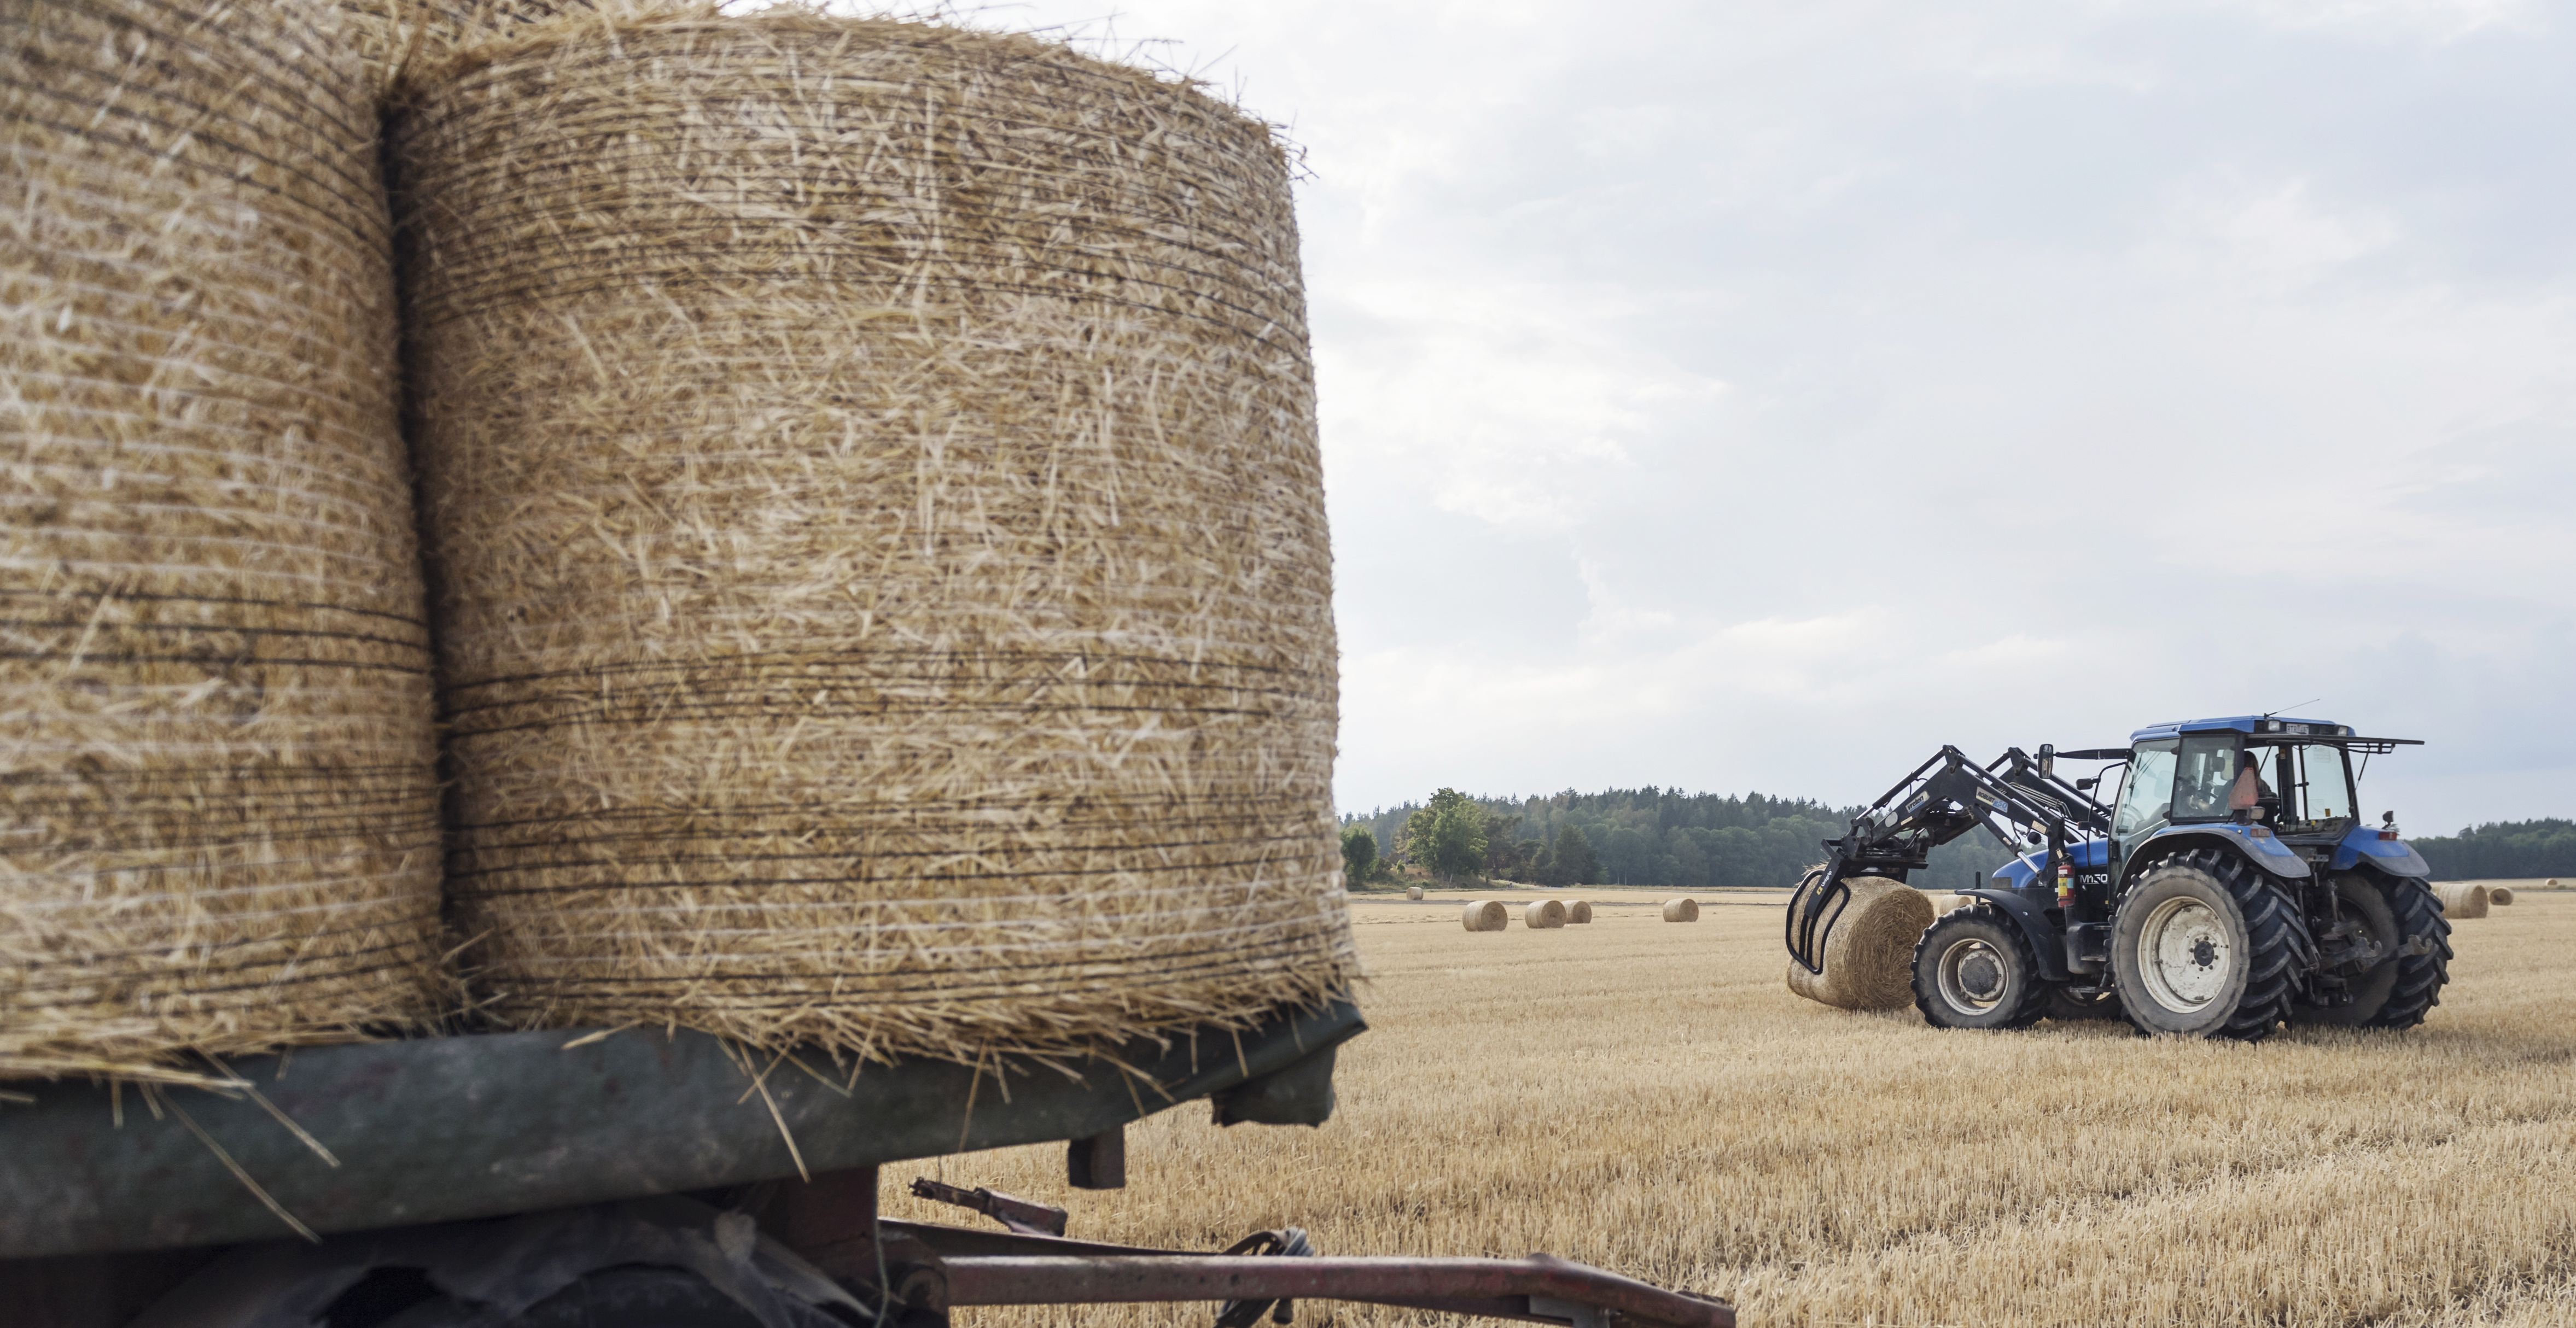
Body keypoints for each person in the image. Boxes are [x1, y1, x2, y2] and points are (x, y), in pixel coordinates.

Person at [2228, 750, 2278, 817]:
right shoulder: (2264, 786)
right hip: (2265, 826)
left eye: (2234, 764)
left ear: (2238, 767)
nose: (2232, 766)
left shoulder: (2232, 785)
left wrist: (2209, 807)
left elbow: (2217, 808)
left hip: (2237, 825)